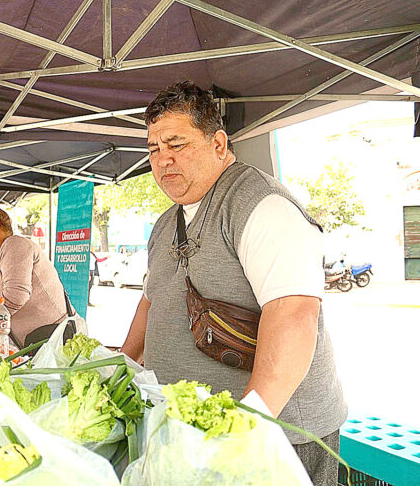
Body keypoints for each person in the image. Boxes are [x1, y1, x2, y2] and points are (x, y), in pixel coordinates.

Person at [120, 81, 346, 485]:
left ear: (219, 143)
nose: (163, 160)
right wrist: (122, 365)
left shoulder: (262, 205)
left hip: (276, 438)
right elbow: (151, 301)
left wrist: (249, 422)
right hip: (193, 435)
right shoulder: (165, 224)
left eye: (177, 144)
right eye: (154, 149)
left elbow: (294, 313)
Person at [0, 206, 75, 348]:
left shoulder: (15, 244)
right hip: (36, 346)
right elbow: (0, 311)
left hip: (56, 341)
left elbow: (15, 296)